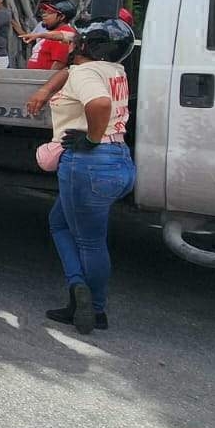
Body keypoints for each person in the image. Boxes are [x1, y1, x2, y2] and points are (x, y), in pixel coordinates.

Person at [44, 18, 137, 334]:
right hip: (119, 159)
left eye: (78, 40)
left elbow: (98, 103)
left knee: (89, 241)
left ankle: (88, 300)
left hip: (90, 160)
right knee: (60, 222)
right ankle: (82, 295)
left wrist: (91, 139)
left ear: (87, 47)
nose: (73, 43)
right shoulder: (115, 70)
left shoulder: (84, 73)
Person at [25, 0, 77, 70]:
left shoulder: (63, 35)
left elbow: (60, 63)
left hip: (44, 79)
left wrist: (49, 79)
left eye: (49, 12)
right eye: (44, 12)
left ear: (61, 17)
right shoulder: (53, 33)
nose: (44, 15)